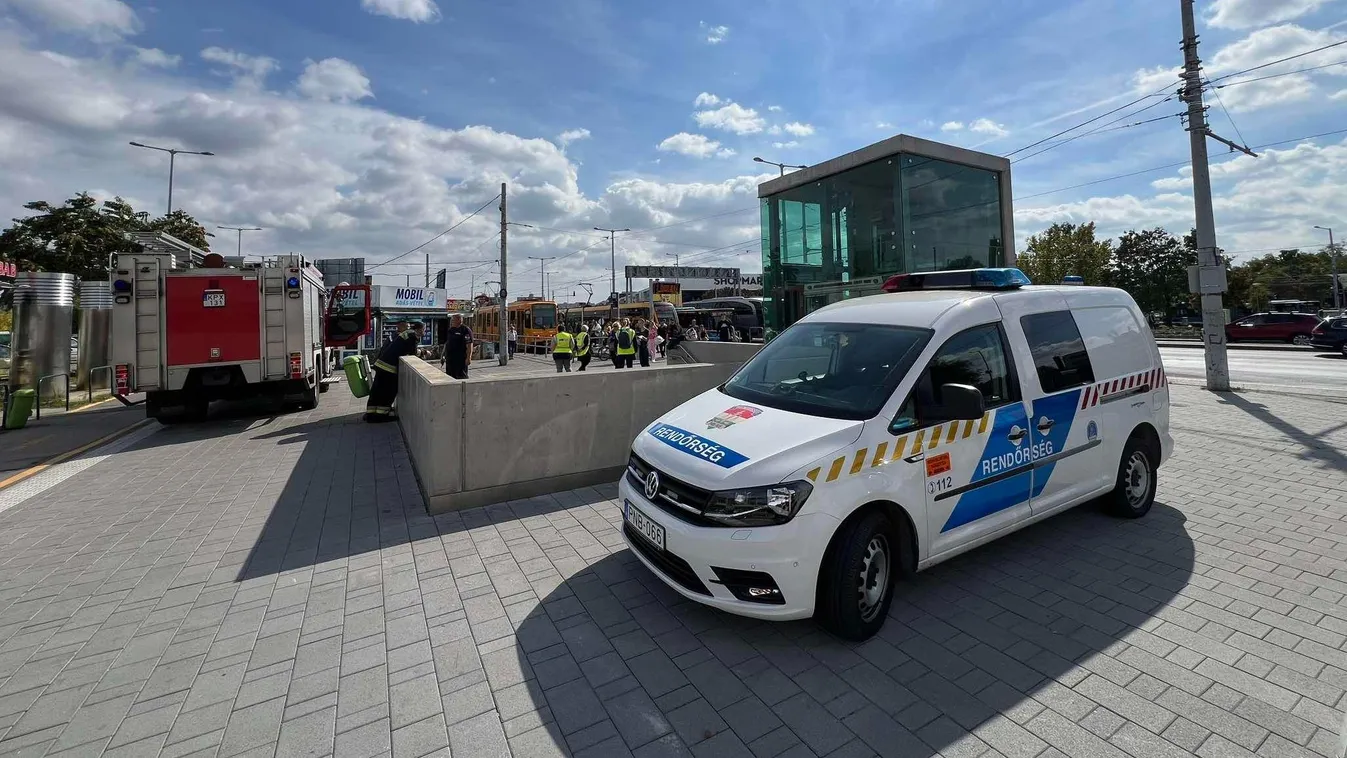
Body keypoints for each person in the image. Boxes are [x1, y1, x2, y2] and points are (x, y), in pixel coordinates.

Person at [365, 321, 424, 422]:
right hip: (389, 368)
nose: (424, 332)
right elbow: (412, 353)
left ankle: (370, 414)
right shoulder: (413, 335)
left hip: (381, 364)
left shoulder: (405, 334)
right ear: (420, 329)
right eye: (423, 330)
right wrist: (423, 353)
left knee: (377, 391)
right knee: (388, 392)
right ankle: (381, 415)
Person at [443, 314, 472, 380]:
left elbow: (469, 344)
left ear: (459, 320)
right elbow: (447, 343)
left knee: (461, 377)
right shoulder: (450, 330)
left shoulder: (465, 330)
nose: (451, 322)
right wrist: (443, 355)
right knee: (449, 377)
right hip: (450, 359)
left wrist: (469, 358)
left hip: (460, 359)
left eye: (453, 320)